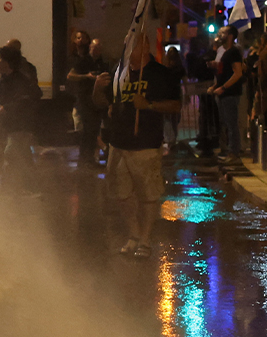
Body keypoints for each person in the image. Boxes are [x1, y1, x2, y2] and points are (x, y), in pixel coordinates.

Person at [95, 32, 183, 257]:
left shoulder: (161, 74)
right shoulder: (119, 72)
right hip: (119, 142)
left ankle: (144, 239)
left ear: (145, 47)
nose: (125, 48)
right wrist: (97, 88)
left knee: (148, 195)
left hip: (146, 143)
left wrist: (149, 105)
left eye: (131, 44)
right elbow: (101, 102)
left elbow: (175, 105)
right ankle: (133, 234)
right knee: (120, 193)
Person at [0, 44, 42, 192]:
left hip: (21, 126)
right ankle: (29, 188)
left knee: (11, 152)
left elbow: (28, 98)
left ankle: (6, 185)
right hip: (13, 126)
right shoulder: (6, 80)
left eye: (1, 61)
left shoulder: (20, 80)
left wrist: (6, 107)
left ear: (7, 63)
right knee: (24, 157)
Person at [67, 30, 108, 166]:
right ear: (90, 48)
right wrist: (87, 76)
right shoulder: (84, 61)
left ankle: (90, 158)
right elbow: (71, 76)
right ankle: (84, 158)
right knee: (87, 130)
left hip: (97, 101)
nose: (96, 50)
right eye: (94, 47)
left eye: (99, 48)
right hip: (85, 99)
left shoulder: (102, 63)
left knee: (94, 130)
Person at [208, 26, 245, 162]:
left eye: (223, 32)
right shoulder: (225, 52)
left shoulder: (234, 52)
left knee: (231, 124)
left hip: (230, 94)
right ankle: (230, 151)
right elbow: (224, 73)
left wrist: (223, 87)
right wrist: (215, 86)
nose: (219, 34)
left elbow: (237, 73)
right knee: (226, 123)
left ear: (230, 36)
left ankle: (234, 153)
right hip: (223, 93)